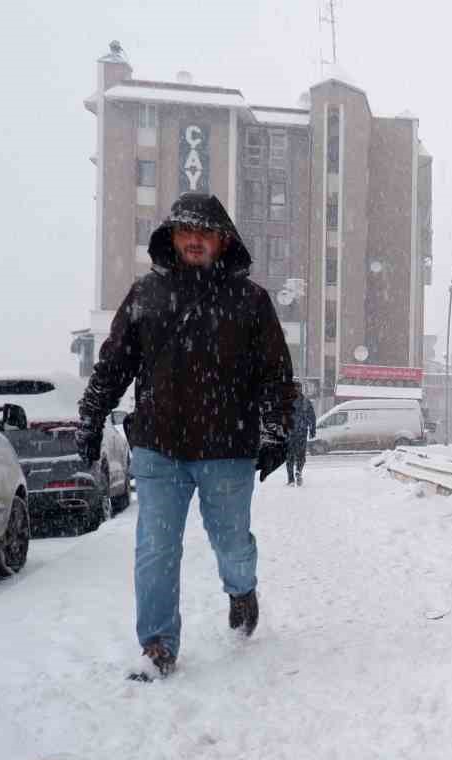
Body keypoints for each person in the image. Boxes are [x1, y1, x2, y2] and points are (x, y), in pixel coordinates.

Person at [77, 192, 297, 679]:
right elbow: (114, 365)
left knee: (232, 543)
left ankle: (241, 589)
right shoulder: (145, 295)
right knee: (156, 547)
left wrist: (276, 430)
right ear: (172, 238)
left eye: (204, 231)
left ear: (222, 239)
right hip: (159, 447)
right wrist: (92, 417)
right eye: (185, 230)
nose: (194, 239)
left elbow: (277, 375)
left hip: (228, 449)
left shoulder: (252, 302)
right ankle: (157, 645)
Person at [287, 389, 317, 485]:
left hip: (290, 433)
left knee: (289, 457)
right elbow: (312, 417)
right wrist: (312, 430)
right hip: (302, 433)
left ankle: (291, 479)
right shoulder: (305, 402)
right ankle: (298, 471)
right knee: (301, 456)